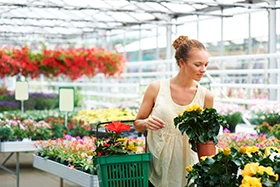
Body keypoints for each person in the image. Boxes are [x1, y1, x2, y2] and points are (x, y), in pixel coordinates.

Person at [133, 35, 214, 187]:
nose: (203, 70)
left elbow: (207, 138)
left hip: (189, 172)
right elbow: (137, 124)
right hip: (156, 169)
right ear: (182, 63)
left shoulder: (206, 96)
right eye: (198, 65)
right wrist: (146, 122)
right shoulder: (156, 88)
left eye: (206, 65)